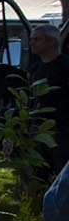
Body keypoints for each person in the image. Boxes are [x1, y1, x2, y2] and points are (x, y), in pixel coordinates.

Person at [29, 25, 69, 174]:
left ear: (52, 42)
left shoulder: (65, 66)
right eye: (31, 39)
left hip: (62, 130)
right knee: (39, 174)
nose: (32, 43)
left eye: (37, 39)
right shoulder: (35, 69)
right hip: (39, 129)